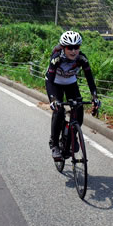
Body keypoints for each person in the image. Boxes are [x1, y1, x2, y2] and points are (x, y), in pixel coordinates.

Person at [44, 30, 100, 159]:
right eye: (70, 48)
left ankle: (71, 136)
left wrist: (95, 97)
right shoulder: (56, 58)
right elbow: (50, 81)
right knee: (58, 111)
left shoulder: (82, 59)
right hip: (55, 83)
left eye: (77, 47)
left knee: (79, 111)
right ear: (64, 48)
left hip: (71, 82)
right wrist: (52, 100)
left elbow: (90, 79)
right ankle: (54, 144)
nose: (73, 51)